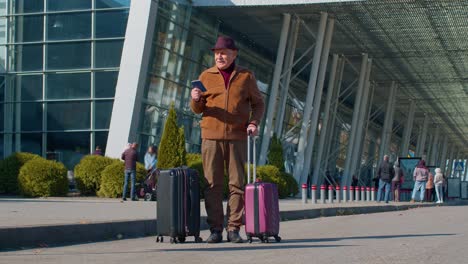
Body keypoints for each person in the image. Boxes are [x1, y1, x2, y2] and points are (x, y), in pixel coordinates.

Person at [190, 36, 265, 243]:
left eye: (223, 53)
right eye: (216, 53)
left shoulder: (246, 76)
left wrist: (254, 123)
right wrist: (195, 99)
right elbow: (198, 109)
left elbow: (258, 104)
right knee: (212, 184)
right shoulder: (206, 76)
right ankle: (215, 229)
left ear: (234, 54)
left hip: (237, 137)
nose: (219, 56)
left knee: (236, 184)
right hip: (211, 138)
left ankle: (233, 229)